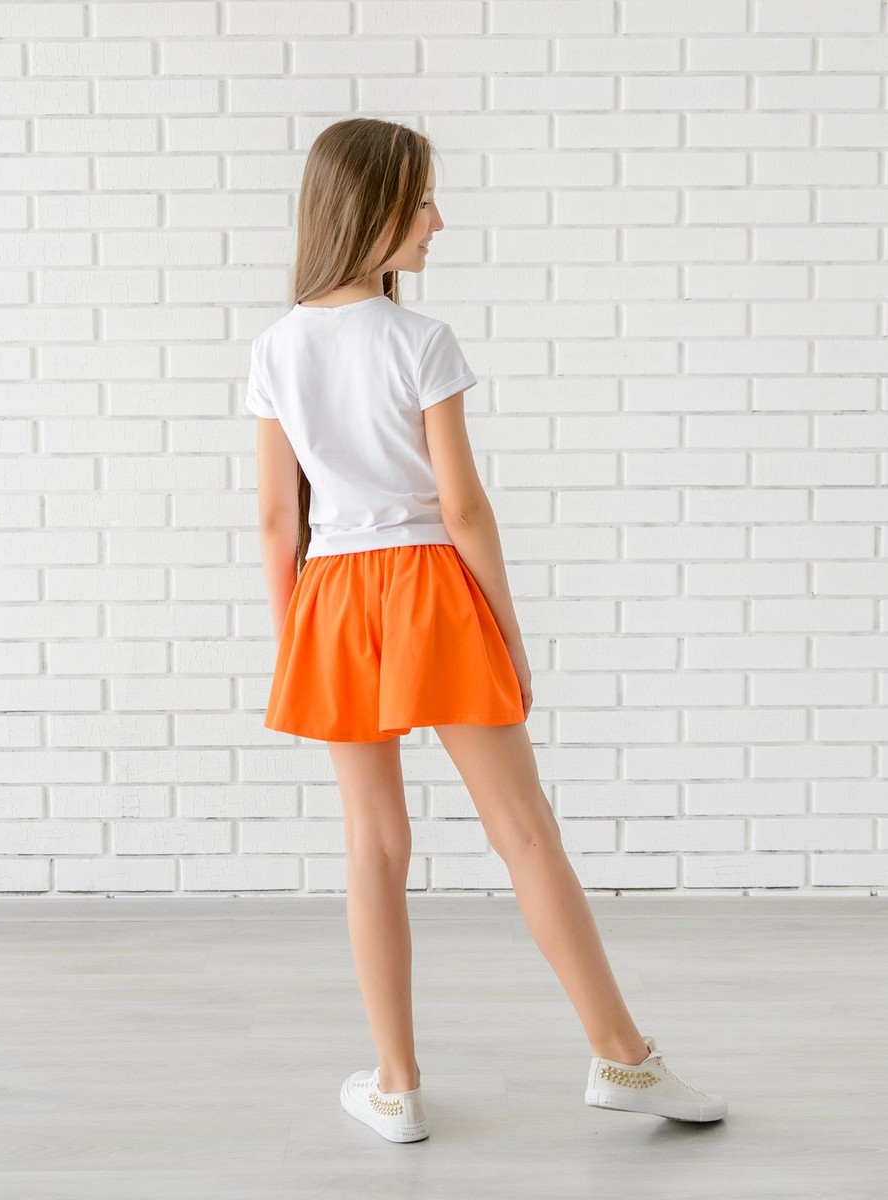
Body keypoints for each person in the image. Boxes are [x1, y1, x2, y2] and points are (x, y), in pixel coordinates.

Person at [245, 117, 728, 1143]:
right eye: (421, 201)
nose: (438, 221)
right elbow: (462, 508)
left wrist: (297, 646)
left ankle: (396, 1085)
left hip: (331, 598)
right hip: (430, 587)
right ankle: (622, 1056)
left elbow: (278, 522)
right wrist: (507, 633)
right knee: (524, 829)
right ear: (371, 209)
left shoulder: (276, 347)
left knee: (372, 844)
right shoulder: (421, 342)